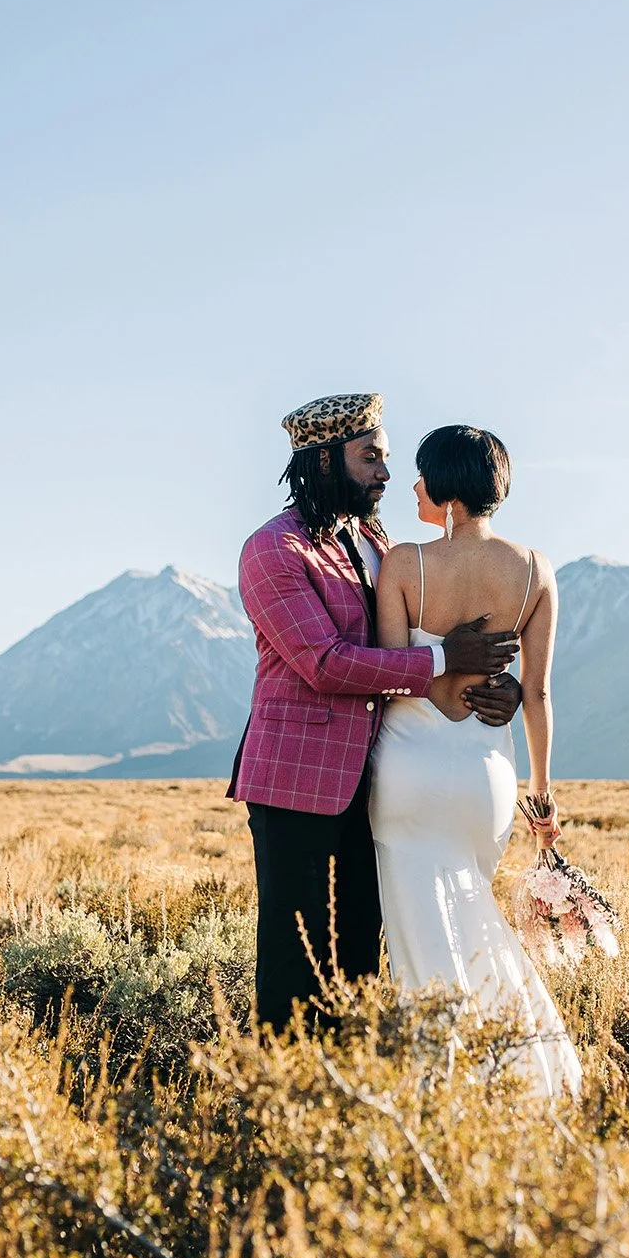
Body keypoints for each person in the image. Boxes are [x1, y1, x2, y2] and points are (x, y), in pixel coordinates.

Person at [229, 393, 524, 1030]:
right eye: (372, 458)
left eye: (386, 458)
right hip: (296, 785)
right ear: (326, 460)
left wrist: (505, 689)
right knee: (295, 961)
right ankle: (288, 1104)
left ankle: (353, 1096)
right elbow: (326, 663)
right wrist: (445, 660)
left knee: (361, 952)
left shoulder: (373, 540)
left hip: (378, 780)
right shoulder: (273, 551)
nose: (387, 474)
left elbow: (409, 643)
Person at [369, 423, 582, 1100]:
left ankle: (437, 1083)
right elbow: (538, 692)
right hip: (486, 777)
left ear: (445, 490)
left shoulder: (403, 564)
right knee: (472, 915)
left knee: (417, 930)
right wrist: (542, 799)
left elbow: (397, 677)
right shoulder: (533, 569)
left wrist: (442, 669)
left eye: (421, 475)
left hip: (410, 768)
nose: (412, 486)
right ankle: (514, 1069)